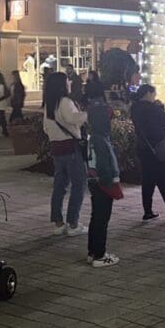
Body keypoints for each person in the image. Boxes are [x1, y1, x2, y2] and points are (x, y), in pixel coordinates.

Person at [130, 85, 165, 223]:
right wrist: (160, 107)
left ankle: (148, 211)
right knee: (164, 180)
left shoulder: (135, 108)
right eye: (154, 94)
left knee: (148, 180)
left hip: (143, 148)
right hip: (157, 148)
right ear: (149, 93)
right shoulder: (153, 108)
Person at [43, 70, 87, 236]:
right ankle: (73, 223)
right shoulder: (65, 101)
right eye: (67, 80)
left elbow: (46, 128)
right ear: (62, 84)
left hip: (57, 149)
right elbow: (73, 118)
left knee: (59, 186)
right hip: (71, 148)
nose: (69, 83)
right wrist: (87, 114)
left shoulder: (49, 103)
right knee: (79, 184)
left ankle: (58, 222)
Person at [85, 80, 122, 268]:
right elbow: (105, 164)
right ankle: (100, 255)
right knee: (102, 218)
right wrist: (110, 182)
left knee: (96, 216)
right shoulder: (101, 139)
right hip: (102, 181)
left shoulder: (92, 137)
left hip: (93, 180)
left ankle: (93, 252)